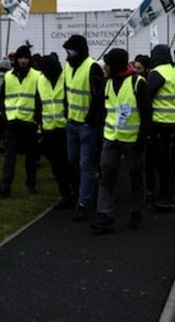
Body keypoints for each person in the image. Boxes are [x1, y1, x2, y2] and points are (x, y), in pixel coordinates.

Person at [92, 48, 151, 233]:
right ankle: (105, 215)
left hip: (132, 140)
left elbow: (147, 113)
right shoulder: (107, 83)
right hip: (111, 138)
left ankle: (136, 213)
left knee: (135, 178)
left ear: (116, 65)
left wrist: (142, 137)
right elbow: (103, 110)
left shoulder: (137, 83)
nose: (105, 67)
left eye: (108, 64)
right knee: (107, 176)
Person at [62, 35, 104, 221]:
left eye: (71, 51)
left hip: (87, 127)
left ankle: (83, 203)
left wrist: (90, 120)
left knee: (85, 164)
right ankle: (90, 187)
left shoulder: (92, 67)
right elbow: (67, 92)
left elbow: (98, 98)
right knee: (73, 161)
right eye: (67, 51)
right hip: (72, 123)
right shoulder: (67, 67)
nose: (69, 54)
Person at [0, 45, 40, 196]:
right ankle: (5, 185)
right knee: (9, 155)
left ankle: (31, 184)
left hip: (29, 122)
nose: (23, 61)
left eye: (26, 58)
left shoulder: (37, 76)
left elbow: (39, 98)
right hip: (12, 121)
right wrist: (5, 116)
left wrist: (36, 119)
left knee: (31, 157)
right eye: (20, 58)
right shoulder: (8, 76)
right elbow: (2, 97)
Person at [36, 54, 77, 209]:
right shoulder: (41, 80)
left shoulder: (65, 78)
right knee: (56, 165)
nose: (44, 73)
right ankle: (65, 193)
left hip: (65, 127)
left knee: (69, 162)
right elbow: (39, 103)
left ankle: (75, 190)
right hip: (48, 129)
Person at [145, 44, 175, 211]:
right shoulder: (174, 72)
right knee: (167, 161)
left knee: (156, 162)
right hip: (172, 121)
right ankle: (165, 193)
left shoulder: (157, 73)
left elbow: (146, 95)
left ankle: (161, 195)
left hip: (158, 122)